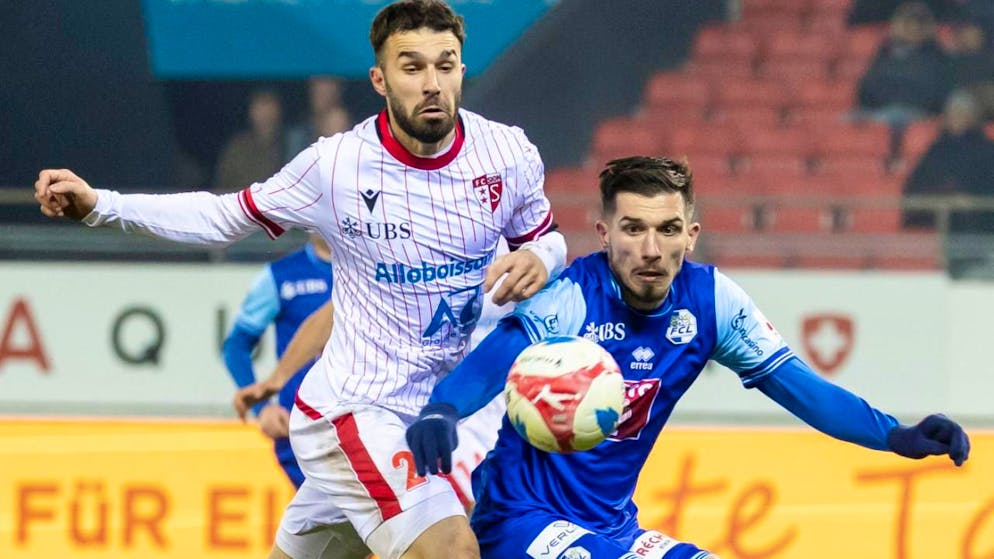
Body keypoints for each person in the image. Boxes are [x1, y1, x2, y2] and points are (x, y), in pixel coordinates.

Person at [32, 1, 568, 558]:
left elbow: (545, 238)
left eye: (446, 64)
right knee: (453, 547)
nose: (432, 83)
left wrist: (544, 256)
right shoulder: (336, 167)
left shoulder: (507, 153)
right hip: (357, 411)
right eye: (412, 67)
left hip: (437, 413)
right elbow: (221, 218)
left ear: (462, 69)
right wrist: (100, 206)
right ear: (380, 80)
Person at [406, 156, 971, 559]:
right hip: (520, 524)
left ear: (691, 235)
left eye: (667, 229)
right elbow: (498, 355)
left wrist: (896, 436)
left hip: (613, 528)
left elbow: (803, 389)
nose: (650, 249)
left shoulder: (712, 301)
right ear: (605, 234)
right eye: (633, 229)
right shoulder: (572, 296)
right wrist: (445, 409)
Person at [222, 233, 333, 489]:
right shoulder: (280, 275)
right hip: (302, 428)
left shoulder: (377, 271)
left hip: (367, 423)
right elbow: (236, 346)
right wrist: (263, 409)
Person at [903, 89, 994, 232]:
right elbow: (917, 186)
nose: (956, 118)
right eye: (952, 113)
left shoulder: (987, 150)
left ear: (973, 117)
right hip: (946, 225)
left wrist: (972, 200)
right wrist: (947, 195)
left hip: (983, 226)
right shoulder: (935, 150)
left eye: (962, 113)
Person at [856, 2, 949, 126]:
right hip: (880, 111)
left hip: (918, 115)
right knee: (847, 122)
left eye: (918, 25)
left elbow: (934, 93)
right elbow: (867, 87)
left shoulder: (935, 57)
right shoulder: (884, 53)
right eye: (907, 24)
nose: (912, 29)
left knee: (897, 116)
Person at [215, 87, 287, 193]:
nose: (264, 111)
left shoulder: (291, 143)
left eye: (268, 103)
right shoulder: (237, 147)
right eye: (259, 105)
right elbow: (221, 186)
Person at [286, 77, 352, 157]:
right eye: (318, 82)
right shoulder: (297, 138)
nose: (322, 89)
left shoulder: (360, 136)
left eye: (329, 82)